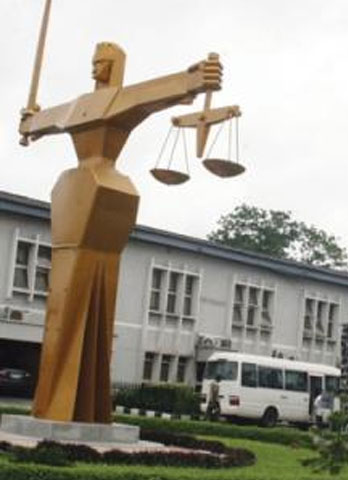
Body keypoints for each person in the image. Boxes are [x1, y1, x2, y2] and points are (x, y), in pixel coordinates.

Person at [19, 42, 221, 424]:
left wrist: (191, 81)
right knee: (65, 284)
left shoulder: (118, 101)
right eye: (93, 61)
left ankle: (66, 403)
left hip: (103, 188)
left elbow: (152, 94)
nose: (95, 67)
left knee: (89, 278)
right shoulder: (80, 104)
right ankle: (55, 402)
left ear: (115, 66)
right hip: (74, 189)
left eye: (102, 62)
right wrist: (31, 121)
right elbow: (47, 121)